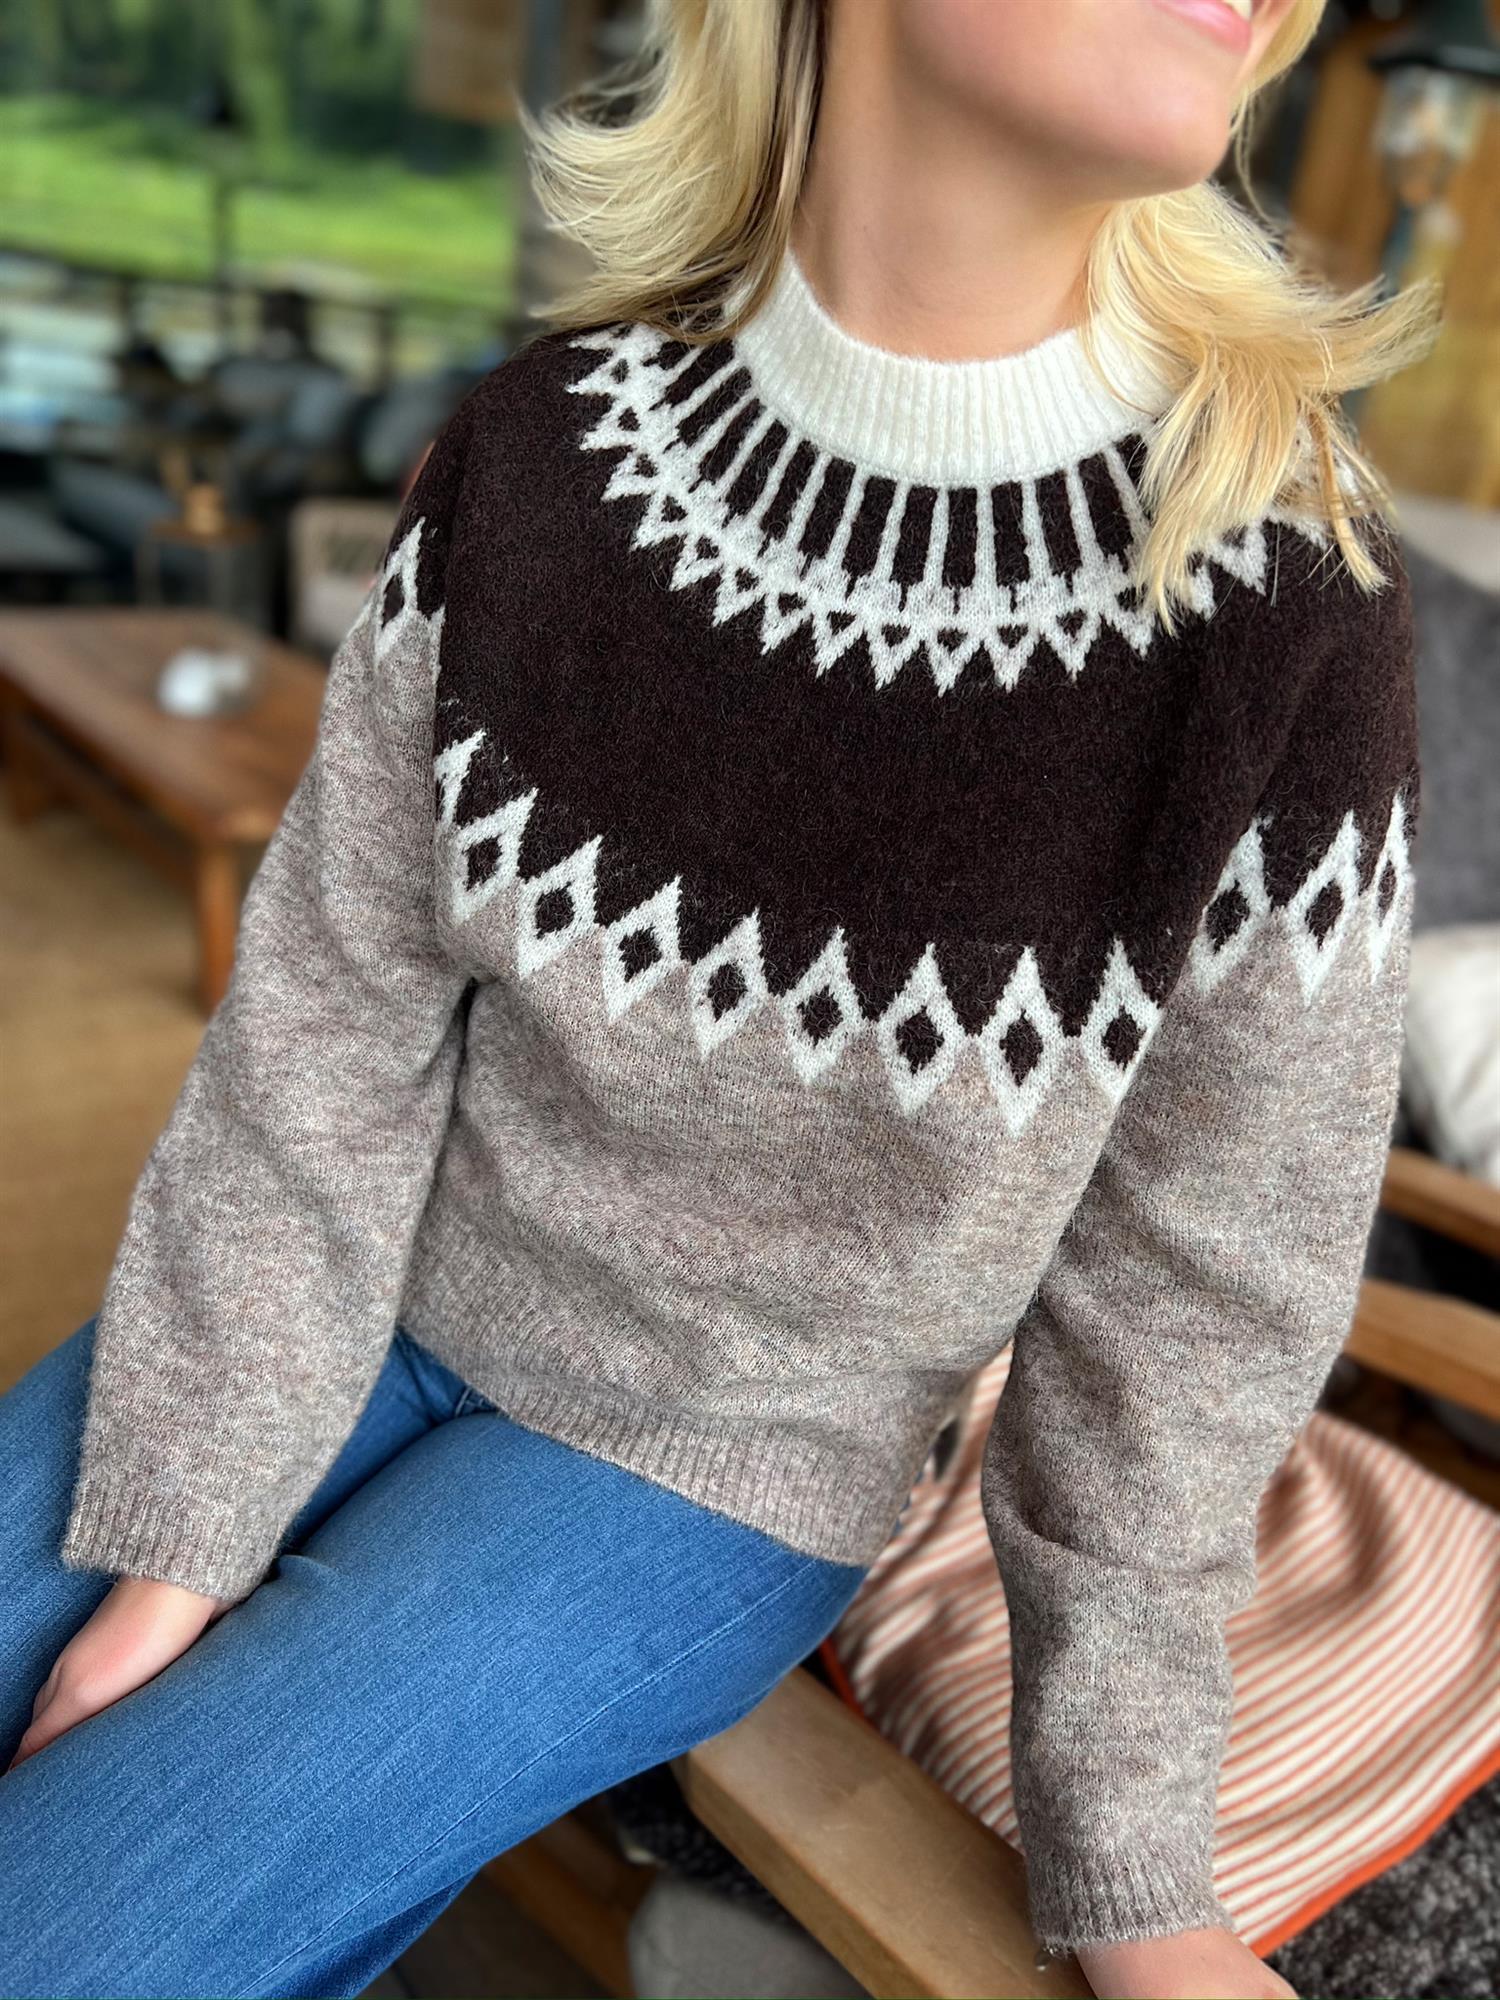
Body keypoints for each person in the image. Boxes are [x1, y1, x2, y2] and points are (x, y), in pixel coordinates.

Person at [0, 2, 1436, 1995]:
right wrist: (179, 1541)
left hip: (711, 1474)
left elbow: (1194, 1314)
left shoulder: (1280, 600)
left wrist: (1138, 1881)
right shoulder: (532, 463)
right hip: (361, 1289)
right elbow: (315, 1054)